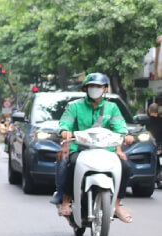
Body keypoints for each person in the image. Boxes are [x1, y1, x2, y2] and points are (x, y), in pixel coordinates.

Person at [56, 73, 134, 222]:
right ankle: (66, 201)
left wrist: (125, 135)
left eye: (99, 86)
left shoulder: (112, 108)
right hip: (80, 149)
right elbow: (65, 123)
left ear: (105, 89)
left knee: (125, 167)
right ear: (85, 88)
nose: (95, 89)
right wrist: (65, 131)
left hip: (106, 150)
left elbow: (120, 127)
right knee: (71, 164)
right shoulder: (74, 106)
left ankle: (117, 204)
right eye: (92, 86)